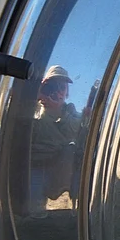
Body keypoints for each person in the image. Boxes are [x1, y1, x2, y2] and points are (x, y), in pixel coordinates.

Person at [30, 66, 82, 211]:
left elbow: (73, 131)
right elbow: (22, 126)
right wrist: (36, 95)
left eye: (62, 87)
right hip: (36, 166)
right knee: (34, 210)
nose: (57, 91)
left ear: (67, 92)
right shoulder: (33, 110)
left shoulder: (71, 113)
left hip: (62, 168)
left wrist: (58, 110)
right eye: (51, 86)